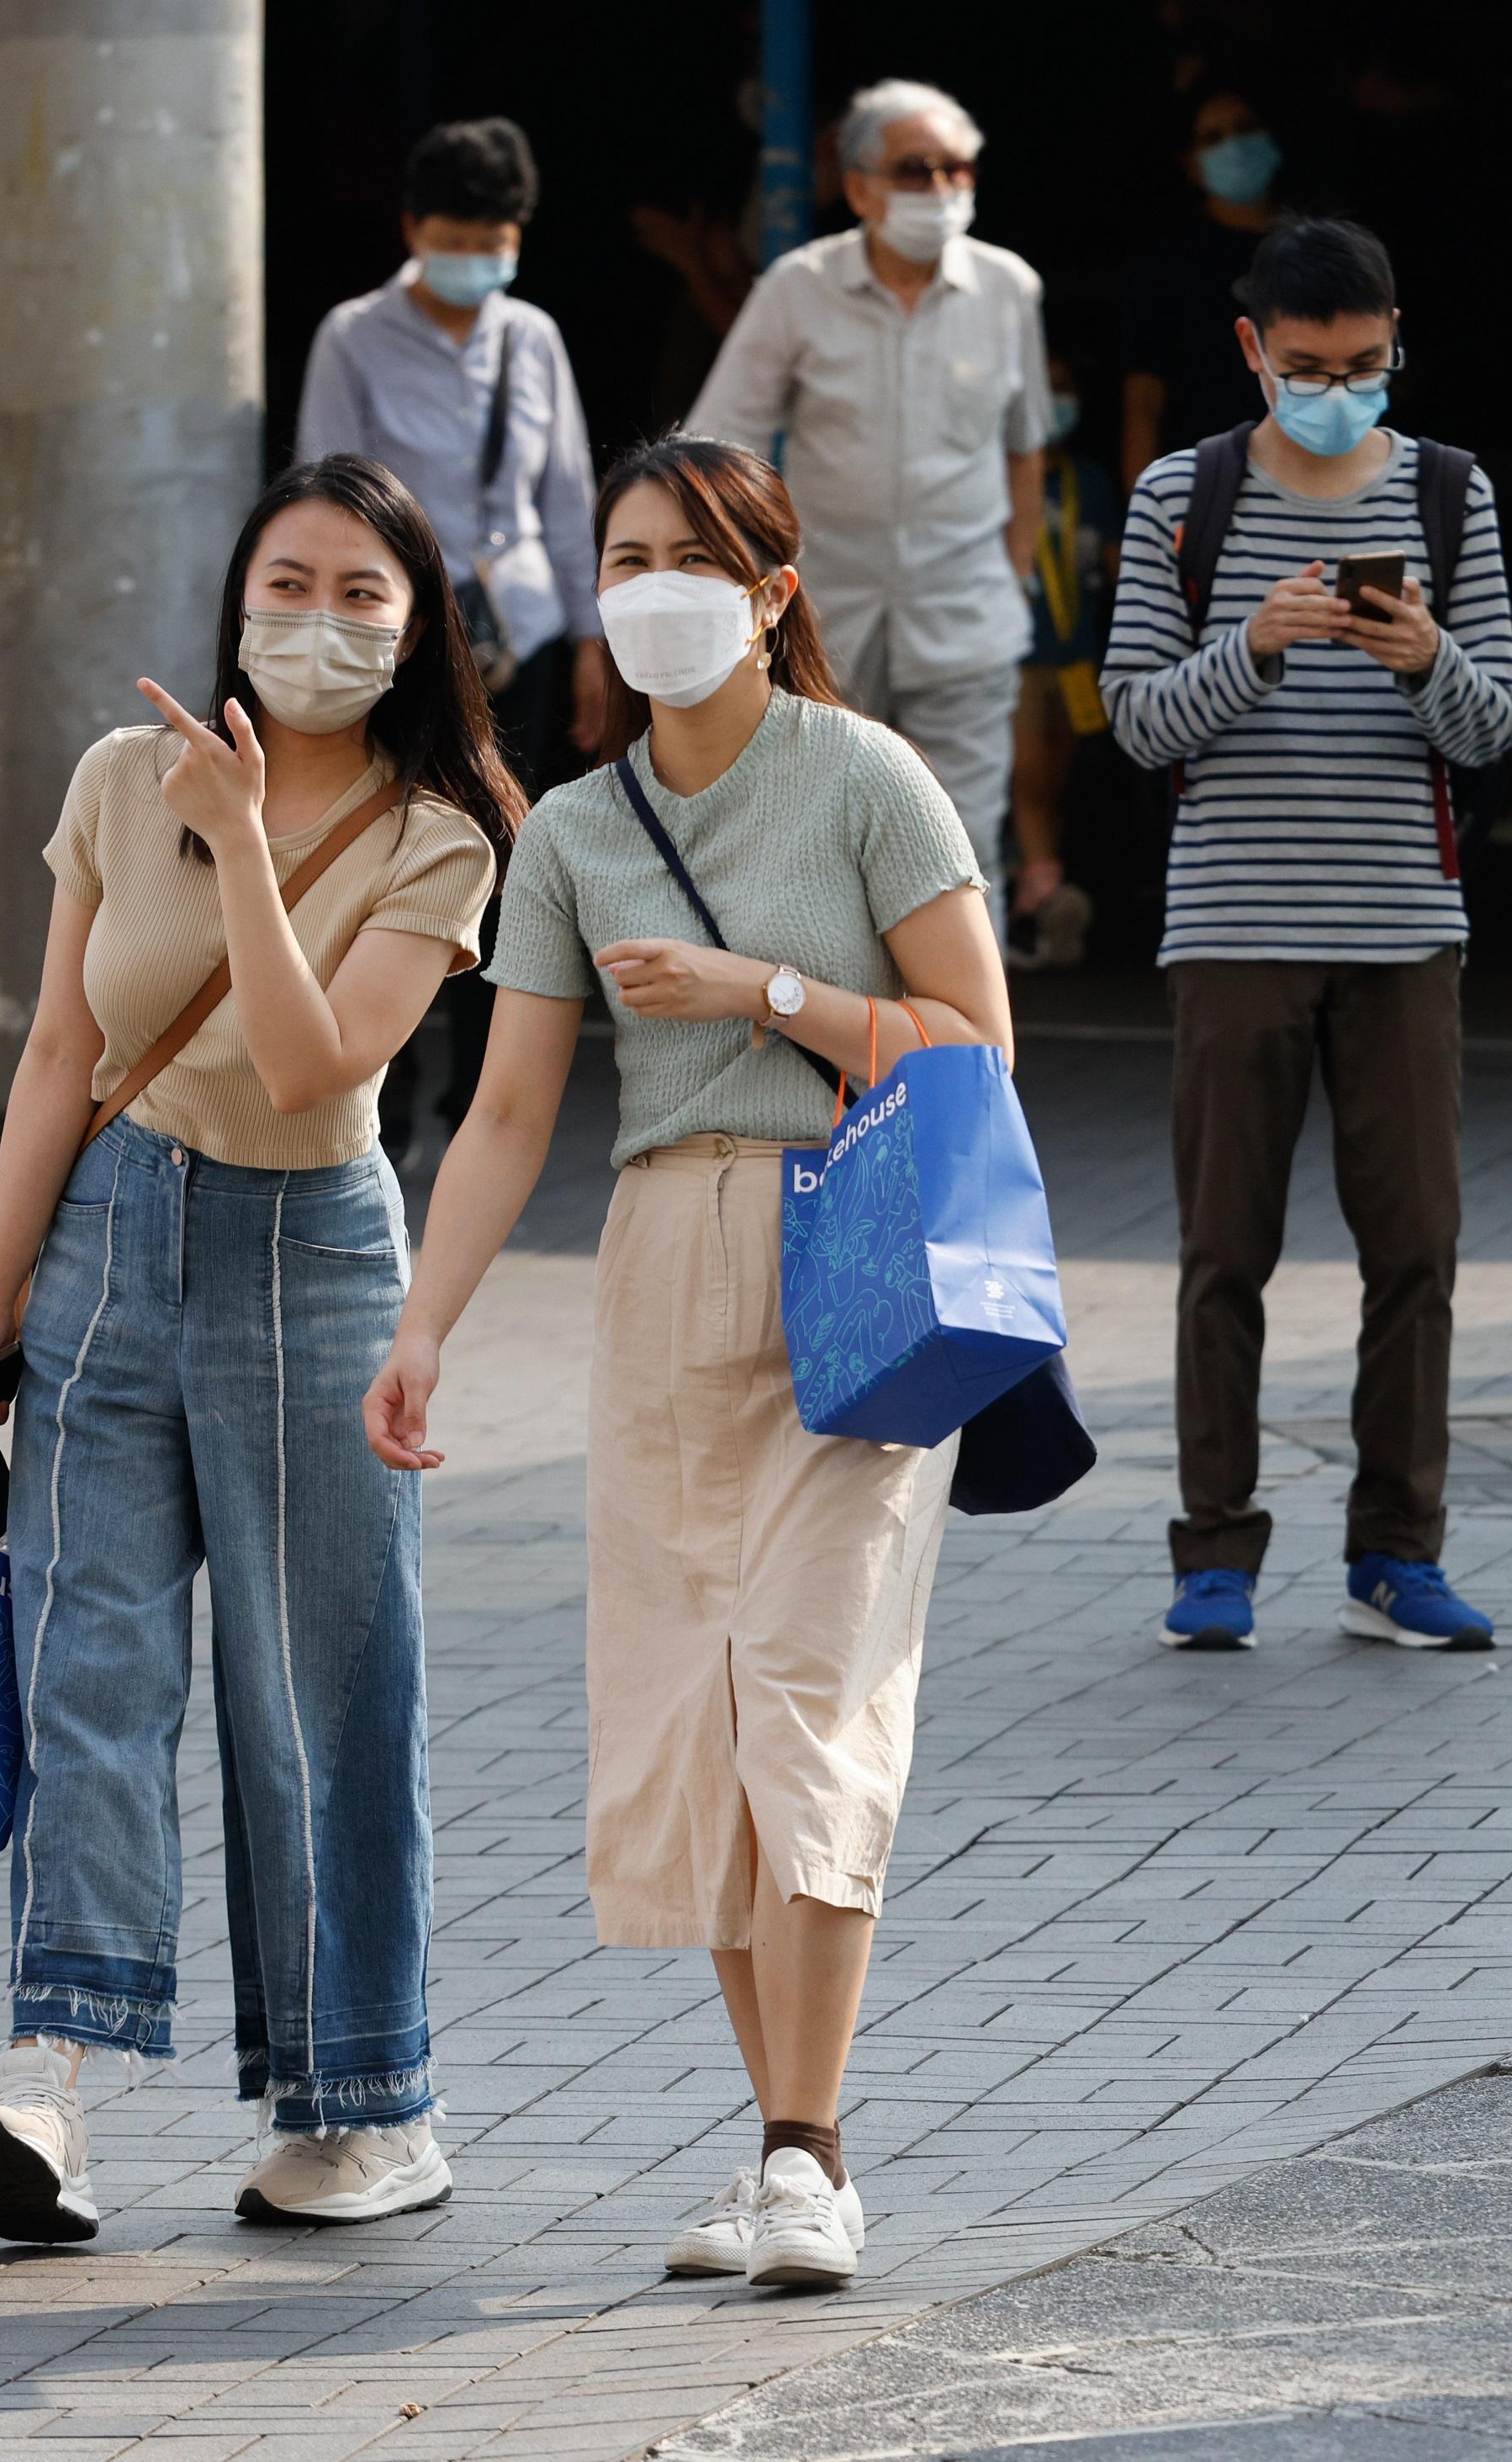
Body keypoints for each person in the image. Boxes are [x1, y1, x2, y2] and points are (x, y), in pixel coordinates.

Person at [362, 434, 1012, 2290]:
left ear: (772, 592)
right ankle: (784, 2140)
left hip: (854, 1254)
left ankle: (808, 2152)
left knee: (806, 1688)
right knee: (699, 1724)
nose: (651, 588)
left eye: (691, 558)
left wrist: (763, 992)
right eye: (624, 556)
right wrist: (424, 1324)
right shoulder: (572, 827)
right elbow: (505, 1114)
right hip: (661, 1264)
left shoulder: (866, 776)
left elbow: (978, 1041)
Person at [0, 455, 517, 2243]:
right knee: (84, 1666)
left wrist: (246, 841)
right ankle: (45, 2081)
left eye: (360, 593)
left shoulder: (444, 830)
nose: (316, 619)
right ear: (238, 595)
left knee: (316, 1692)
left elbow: (315, 1060)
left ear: (416, 626)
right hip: (109, 1236)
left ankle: (366, 2106)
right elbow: (58, 1051)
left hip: (308, 1256)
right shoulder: (121, 777)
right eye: (288, 581)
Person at [1102, 216, 1512, 1656]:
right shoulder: (1183, 493)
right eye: (1308, 367)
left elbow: (1498, 728)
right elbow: (1133, 717)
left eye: (1363, 364)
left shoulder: (1451, 492)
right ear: (1252, 351)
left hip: (1405, 927)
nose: (1338, 390)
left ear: (1396, 343)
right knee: (1224, 1248)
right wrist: (1255, 644)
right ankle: (1212, 1549)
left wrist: (1427, 659)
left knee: (1416, 1251)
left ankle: (1396, 1552)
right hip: (1231, 924)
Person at [297, 116, 608, 1149]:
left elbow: (567, 498)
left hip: (522, 637)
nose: (476, 257)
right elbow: (326, 494)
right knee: (377, 850)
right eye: (457, 237)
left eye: (494, 240)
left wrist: (593, 642)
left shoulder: (534, 337)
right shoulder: (352, 335)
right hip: (396, 641)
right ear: (412, 228)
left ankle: (479, 1099)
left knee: (507, 859)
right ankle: (370, 1101)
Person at [690, 77, 1047, 891]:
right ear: (858, 189)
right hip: (828, 620)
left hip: (966, 612)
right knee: (819, 843)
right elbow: (717, 450)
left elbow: (1026, 448)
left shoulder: (1009, 288)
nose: (941, 188)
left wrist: (1016, 575)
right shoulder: (797, 287)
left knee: (964, 851)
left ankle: (967, 986)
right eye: (915, 170)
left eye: (958, 169)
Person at [1116, 81, 1282, 489]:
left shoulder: (1324, 249)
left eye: (1245, 129)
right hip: (1209, 489)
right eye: (1213, 138)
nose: (1234, 145)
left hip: (1322, 481)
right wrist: (1144, 510)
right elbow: (1144, 403)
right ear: (1190, 163)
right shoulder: (1164, 267)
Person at [1008, 352, 1115, 971]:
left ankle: (1036, 885)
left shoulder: (1091, 482)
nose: (1054, 399)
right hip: (1017, 656)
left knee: (1056, 777)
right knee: (1026, 773)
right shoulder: (1001, 475)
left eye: (1064, 385)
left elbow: (1118, 564)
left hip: (1078, 658)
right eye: (1042, 388)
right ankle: (1044, 885)